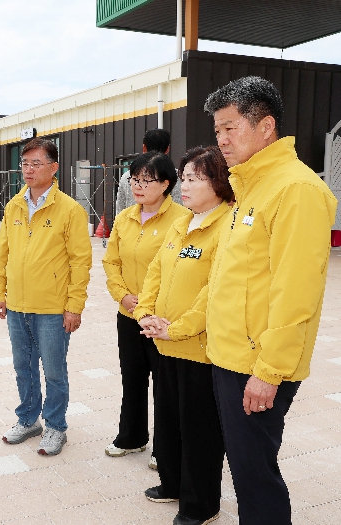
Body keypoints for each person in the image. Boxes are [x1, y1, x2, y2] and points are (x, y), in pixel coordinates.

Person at [204, 76, 337, 525]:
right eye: (218, 130)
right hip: (230, 356)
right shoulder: (250, 187)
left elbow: (296, 292)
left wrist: (269, 371)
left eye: (231, 128)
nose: (222, 140)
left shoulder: (295, 189)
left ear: (266, 127)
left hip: (258, 364)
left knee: (255, 476)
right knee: (246, 470)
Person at [134, 146, 233, 525]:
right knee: (169, 422)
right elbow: (156, 273)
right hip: (165, 344)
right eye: (184, 177)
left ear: (219, 183)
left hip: (199, 350)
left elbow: (215, 292)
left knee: (199, 432)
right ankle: (172, 484)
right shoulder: (182, 223)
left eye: (195, 178)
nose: (185, 186)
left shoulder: (227, 227)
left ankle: (200, 505)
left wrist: (176, 329)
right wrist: (145, 313)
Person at [0, 137, 92, 456]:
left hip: (52, 309)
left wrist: (74, 306)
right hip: (17, 306)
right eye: (25, 163)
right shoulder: (14, 206)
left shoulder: (70, 210)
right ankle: (27, 419)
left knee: (54, 371)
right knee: (23, 368)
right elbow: (2, 253)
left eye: (36, 163)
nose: (28, 169)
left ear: (54, 167)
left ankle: (56, 426)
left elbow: (80, 262)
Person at [102, 151, 189, 468]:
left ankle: (164, 449)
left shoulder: (183, 219)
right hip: (129, 315)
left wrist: (151, 305)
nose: (138, 186)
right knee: (132, 379)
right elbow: (111, 262)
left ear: (166, 184)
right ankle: (132, 437)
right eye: (134, 180)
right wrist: (123, 296)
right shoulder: (125, 218)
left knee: (166, 387)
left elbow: (179, 270)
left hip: (161, 319)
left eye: (146, 180)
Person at [115, 129, 182, 214]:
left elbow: (120, 209)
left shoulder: (127, 176)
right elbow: (179, 205)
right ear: (167, 149)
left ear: (144, 147)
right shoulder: (176, 175)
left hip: (132, 221)